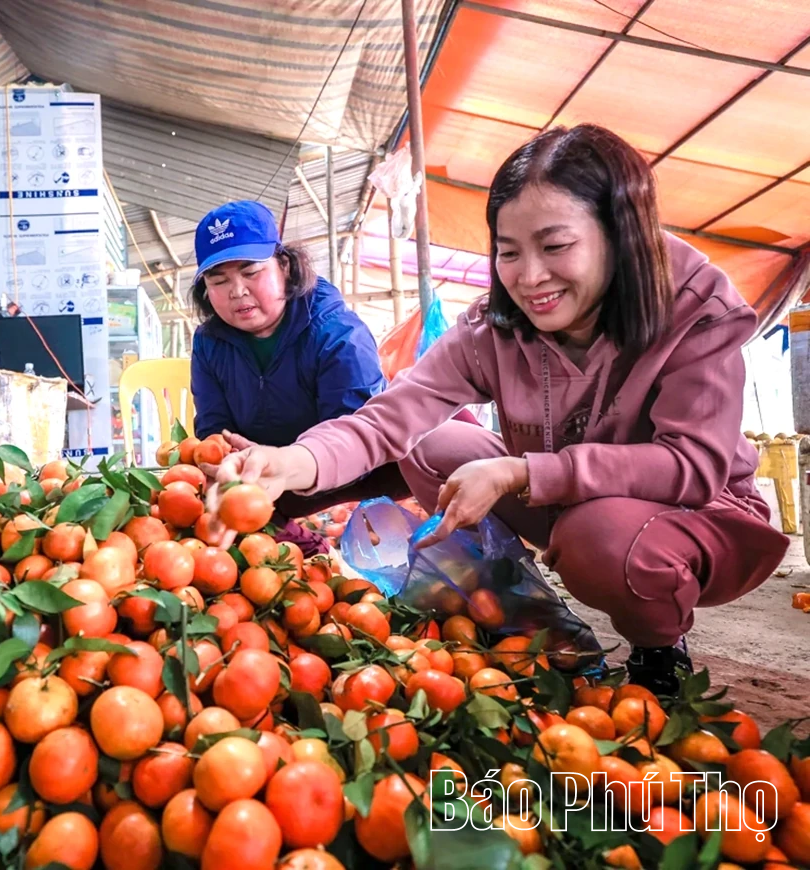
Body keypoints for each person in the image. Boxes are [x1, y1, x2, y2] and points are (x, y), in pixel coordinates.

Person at [208, 125, 790, 695]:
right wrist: (291, 462)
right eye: (509, 252)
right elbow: (386, 420)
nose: (530, 277)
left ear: (621, 234)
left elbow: (693, 465)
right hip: (567, 498)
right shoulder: (496, 325)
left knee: (600, 538)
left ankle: (659, 648)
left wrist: (524, 472)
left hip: (701, 512)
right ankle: (523, 604)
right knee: (431, 445)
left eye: (556, 246)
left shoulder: (693, 310)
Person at [188, 200, 411, 554]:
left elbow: (354, 442)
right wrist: (229, 464)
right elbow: (214, 431)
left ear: (285, 267)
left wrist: (285, 463)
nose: (237, 291)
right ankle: (303, 547)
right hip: (264, 485)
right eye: (219, 280)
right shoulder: (209, 344)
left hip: (350, 479)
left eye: (250, 272)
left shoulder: (338, 335)